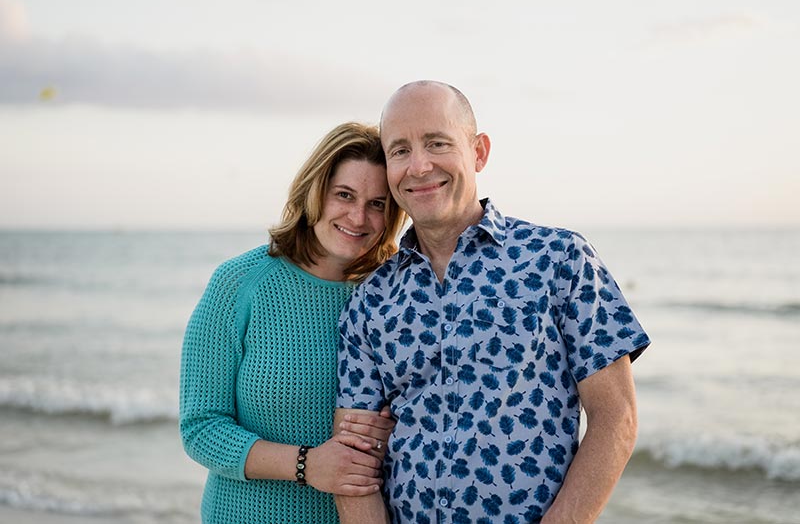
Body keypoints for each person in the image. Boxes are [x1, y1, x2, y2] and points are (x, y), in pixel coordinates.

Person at [334, 82, 651, 524]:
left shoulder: (559, 259)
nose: (419, 165)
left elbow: (616, 417)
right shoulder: (371, 301)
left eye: (437, 143)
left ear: (478, 152)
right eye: (400, 151)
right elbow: (354, 462)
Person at [180, 122, 407, 524]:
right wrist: (307, 464)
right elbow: (201, 429)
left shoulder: (393, 294)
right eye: (344, 195)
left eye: (377, 203)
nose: (358, 216)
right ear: (314, 191)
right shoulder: (240, 283)